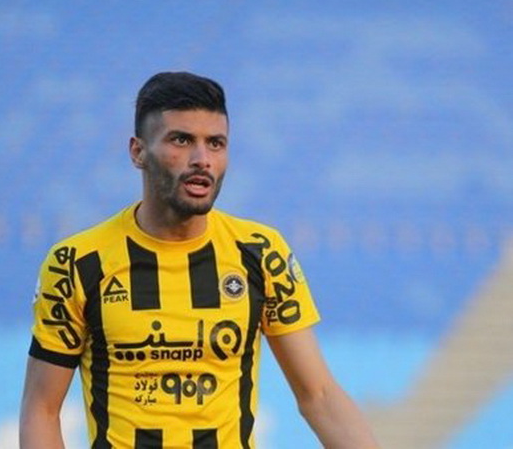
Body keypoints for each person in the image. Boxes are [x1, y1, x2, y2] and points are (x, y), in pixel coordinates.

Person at [19, 71, 379, 448]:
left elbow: (319, 396)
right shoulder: (78, 262)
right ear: (138, 152)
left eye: (216, 143)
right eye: (182, 140)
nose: (202, 159)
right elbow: (41, 409)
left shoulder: (260, 252)